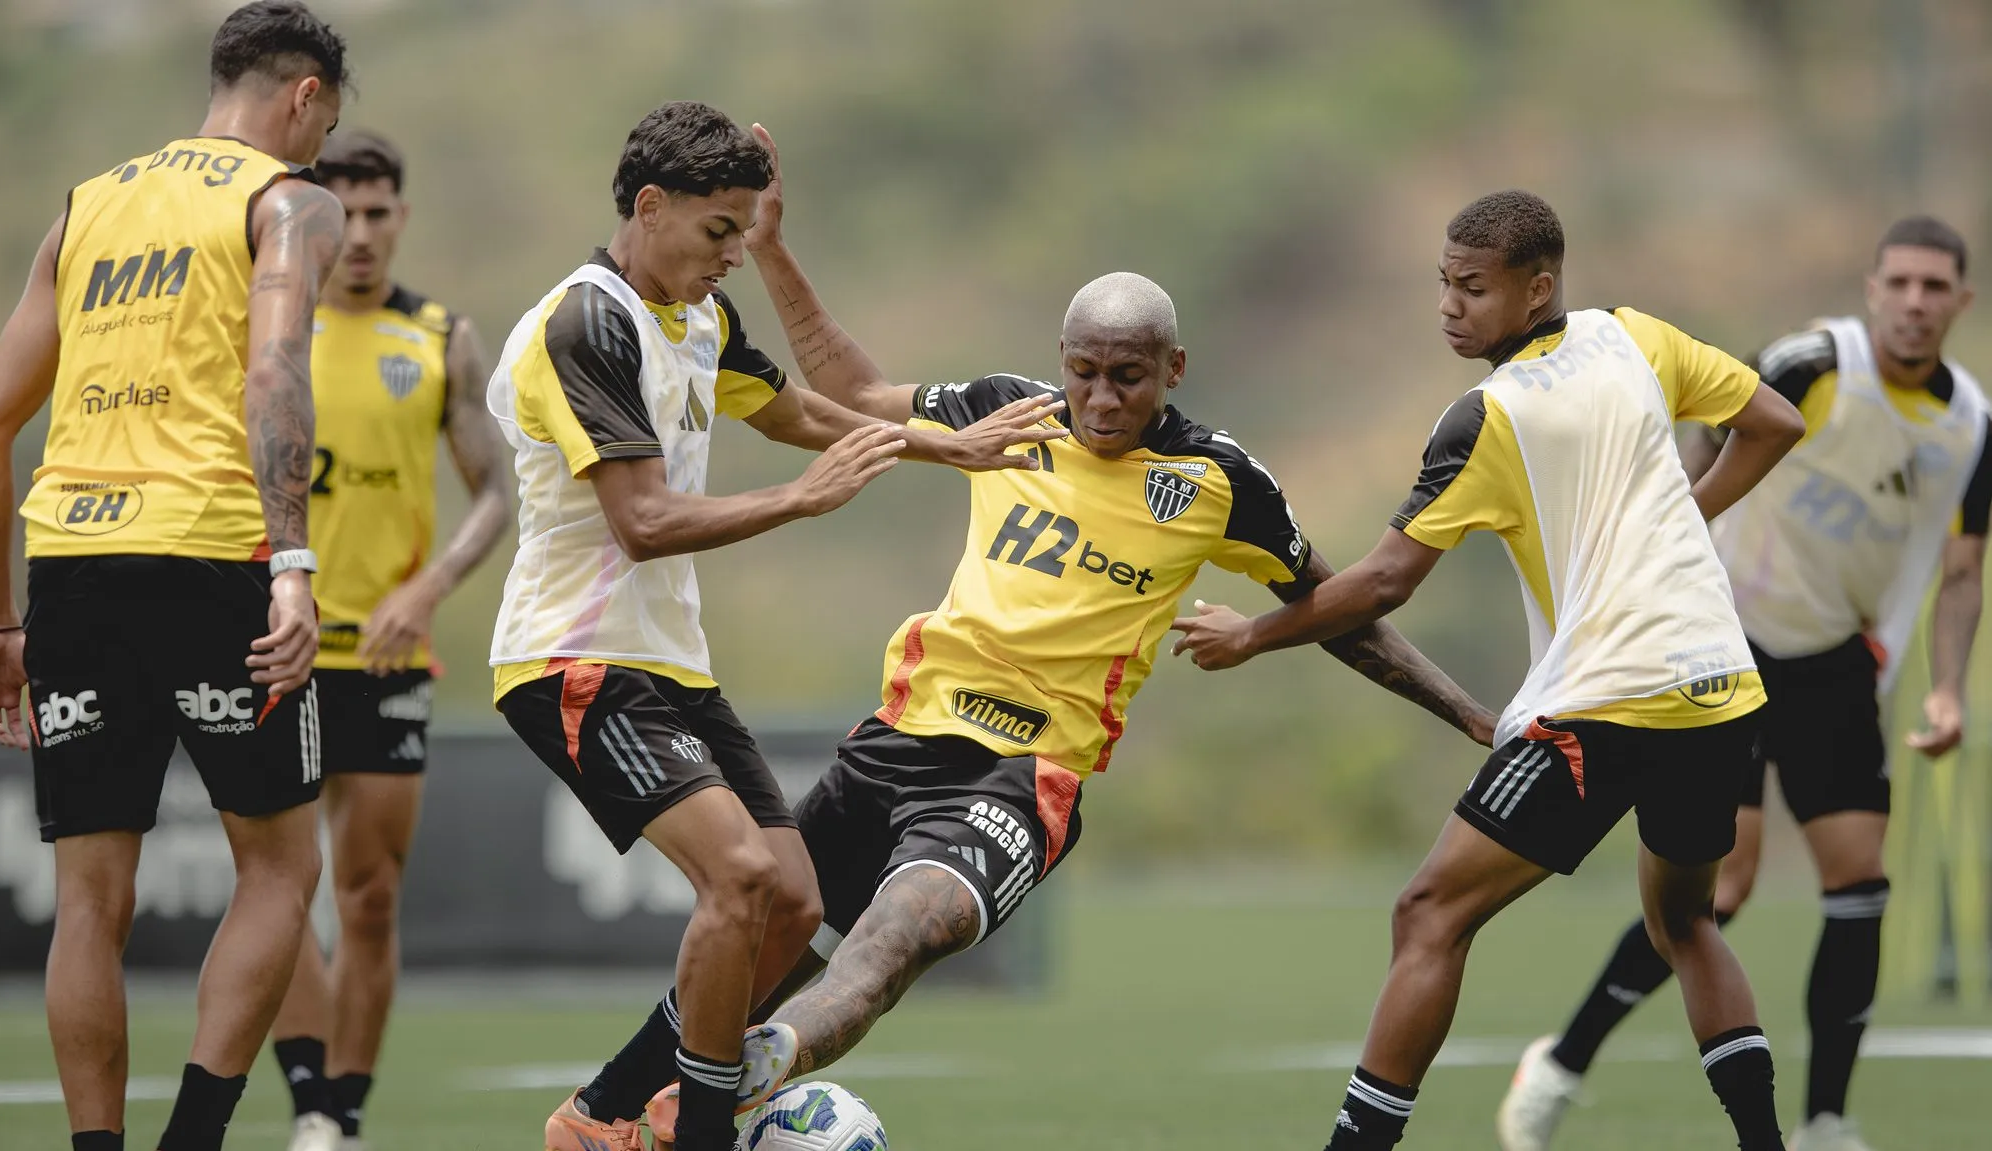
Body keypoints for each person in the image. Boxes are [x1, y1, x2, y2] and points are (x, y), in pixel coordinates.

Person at [583, 125, 1499, 1151]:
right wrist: (780, 250)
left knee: (889, 944)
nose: (1101, 401)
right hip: (898, 735)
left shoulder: (1219, 482)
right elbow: (856, 394)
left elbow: (1343, 610)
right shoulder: (1009, 415)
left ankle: (733, 1091)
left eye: (1128, 377)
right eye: (1084, 373)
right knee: (757, 944)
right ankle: (606, 1111)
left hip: (1024, 775)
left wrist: (1463, 708)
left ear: (1174, 368)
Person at [1170, 189, 1809, 1150]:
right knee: (1687, 923)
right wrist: (1688, 510)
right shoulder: (1636, 336)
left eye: (1472, 288)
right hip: (1719, 688)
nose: (1448, 305)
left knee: (1429, 911)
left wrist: (1252, 633)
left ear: (1536, 287)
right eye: (1442, 283)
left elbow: (1385, 582)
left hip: (1606, 703)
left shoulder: (1487, 415)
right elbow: (1772, 421)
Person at [489, 101, 1064, 1151]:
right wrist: (801, 499)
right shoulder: (588, 321)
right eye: (721, 232)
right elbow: (646, 521)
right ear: (651, 207)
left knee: (793, 901)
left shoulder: (697, 317)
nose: (733, 258)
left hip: (667, 664)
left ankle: (603, 1113)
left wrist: (948, 447)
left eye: (747, 236)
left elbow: (795, 410)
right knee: (743, 877)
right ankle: (697, 1131)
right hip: (571, 658)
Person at [1496, 216, 1988, 1151]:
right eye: (1901, 283)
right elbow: (1703, 435)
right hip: (1723, 645)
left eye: (1937, 288)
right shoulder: (1812, 360)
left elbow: (1962, 572)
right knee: (1722, 888)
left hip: (1838, 659)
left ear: (1960, 302)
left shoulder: (1970, 425)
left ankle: (1826, 1123)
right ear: (1872, 288)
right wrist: (1669, 553)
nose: (1916, 303)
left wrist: (1949, 688)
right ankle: (1560, 1061)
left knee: (1859, 882)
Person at [0, 5, 348, 1151]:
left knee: (89, 901)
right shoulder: (289, 200)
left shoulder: (86, 207)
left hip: (72, 564)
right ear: (305, 95)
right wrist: (292, 566)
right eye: (322, 125)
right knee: (280, 864)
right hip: (215, 555)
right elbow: (274, 372)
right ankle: (194, 1140)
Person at [265, 129, 512, 1151]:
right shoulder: (268, 332)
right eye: (342, 214)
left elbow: (497, 491)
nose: (359, 235)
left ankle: (342, 1117)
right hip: (276, 645)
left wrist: (434, 582)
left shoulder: (443, 337)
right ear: (315, 220)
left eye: (377, 214)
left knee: (367, 897)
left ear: (400, 216)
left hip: (384, 655)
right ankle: (310, 1100)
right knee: (276, 895)